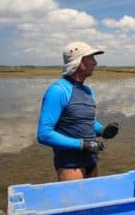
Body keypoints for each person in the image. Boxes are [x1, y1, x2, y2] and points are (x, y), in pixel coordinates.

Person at [37, 41, 118, 181]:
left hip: (91, 161)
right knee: (75, 202)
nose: (95, 63)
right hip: (71, 165)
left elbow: (87, 121)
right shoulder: (58, 90)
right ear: (79, 62)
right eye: (91, 58)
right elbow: (44, 134)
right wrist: (81, 144)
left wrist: (103, 131)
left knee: (94, 200)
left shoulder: (87, 91)